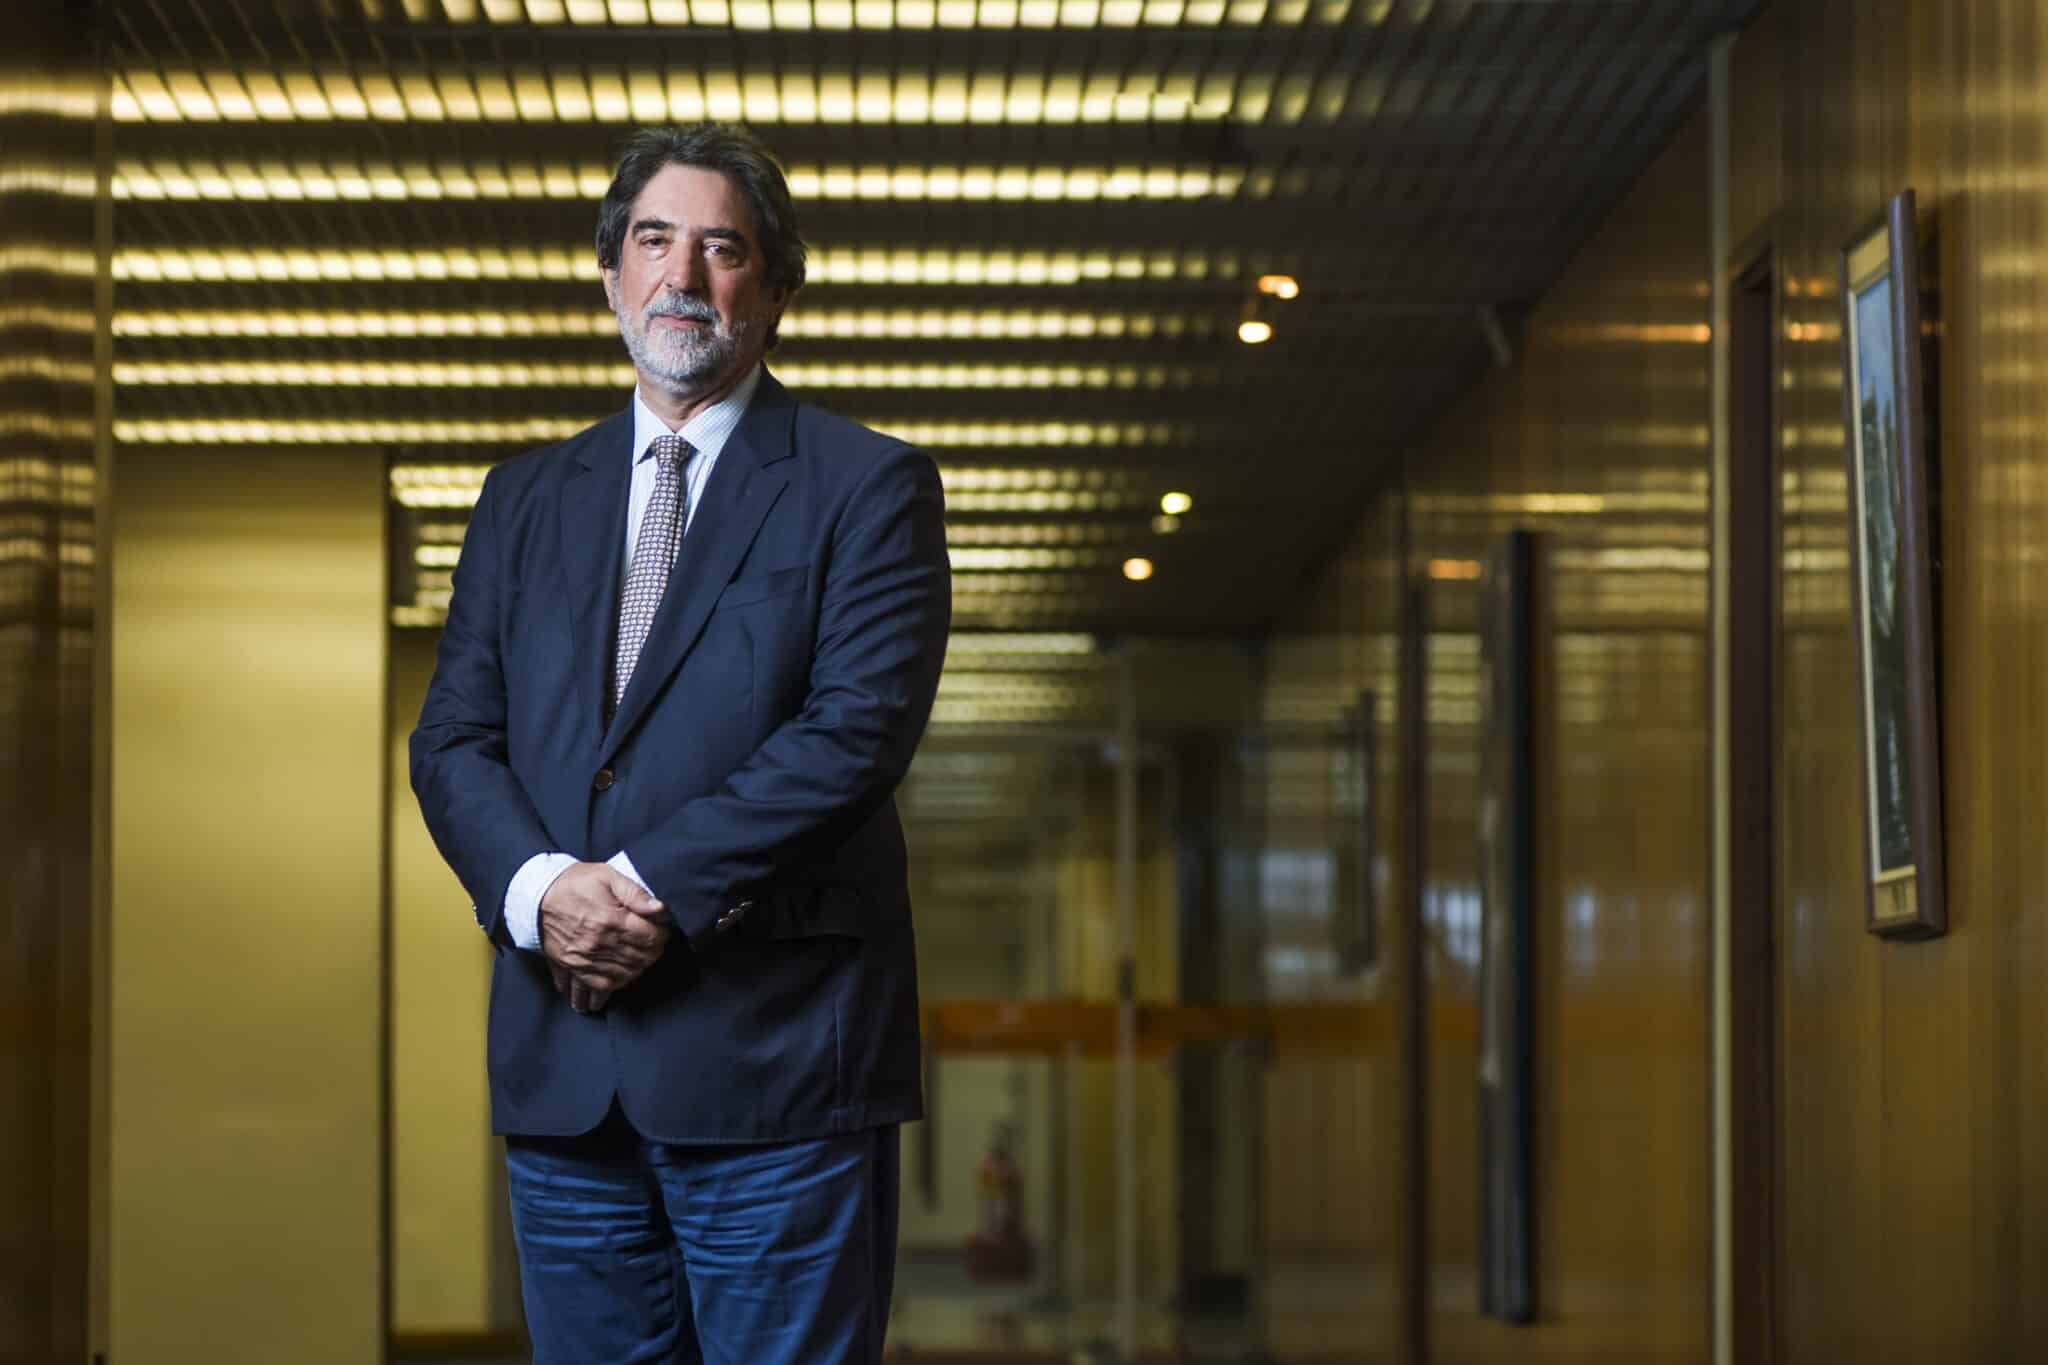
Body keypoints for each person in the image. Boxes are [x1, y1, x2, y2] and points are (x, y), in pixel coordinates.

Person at [410, 122, 951, 1364]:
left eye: (722, 249)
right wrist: (544, 894)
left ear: (772, 288)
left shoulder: (865, 487)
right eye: (653, 241)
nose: (683, 277)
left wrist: (639, 894)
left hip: (777, 1072)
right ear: (610, 273)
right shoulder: (522, 498)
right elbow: (452, 739)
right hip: (565, 1071)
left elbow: (853, 735)